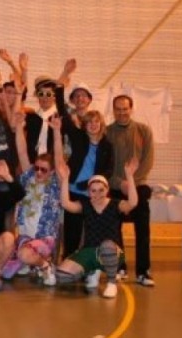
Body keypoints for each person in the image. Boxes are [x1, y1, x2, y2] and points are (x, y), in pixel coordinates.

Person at [55, 158, 139, 299]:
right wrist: (65, 180)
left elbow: (133, 203)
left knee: (107, 245)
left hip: (112, 252)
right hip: (90, 251)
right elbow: (66, 204)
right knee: (62, 275)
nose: (97, 194)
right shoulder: (85, 205)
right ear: (88, 192)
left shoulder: (115, 205)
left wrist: (130, 176)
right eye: (93, 191)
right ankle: (92, 270)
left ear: (107, 190)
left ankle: (111, 283)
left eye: (101, 190)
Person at [2, 112, 63, 286]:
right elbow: (22, 152)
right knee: (6, 274)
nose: (38, 172)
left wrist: (56, 132)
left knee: (24, 255)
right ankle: (29, 261)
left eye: (44, 170)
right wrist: (19, 126)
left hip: (45, 237)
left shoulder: (55, 184)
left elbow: (59, 160)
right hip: (25, 236)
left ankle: (45, 265)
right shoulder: (28, 178)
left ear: (51, 171)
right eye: (36, 168)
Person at [106, 95, 155, 286]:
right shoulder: (107, 133)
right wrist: (120, 183)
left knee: (143, 229)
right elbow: (105, 166)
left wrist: (132, 183)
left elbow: (147, 161)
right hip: (116, 188)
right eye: (118, 109)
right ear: (113, 110)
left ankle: (143, 272)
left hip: (138, 186)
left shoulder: (144, 131)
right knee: (113, 228)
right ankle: (120, 266)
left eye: (125, 109)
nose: (121, 112)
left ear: (131, 109)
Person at [55, 109, 113, 259]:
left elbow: (109, 170)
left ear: (101, 124)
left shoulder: (107, 145)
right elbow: (65, 118)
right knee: (71, 232)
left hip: (93, 194)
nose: (93, 125)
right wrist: (60, 94)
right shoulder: (78, 137)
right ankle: (68, 260)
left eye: (96, 121)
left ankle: (89, 262)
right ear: (84, 125)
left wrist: (90, 183)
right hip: (73, 191)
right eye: (89, 122)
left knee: (91, 231)